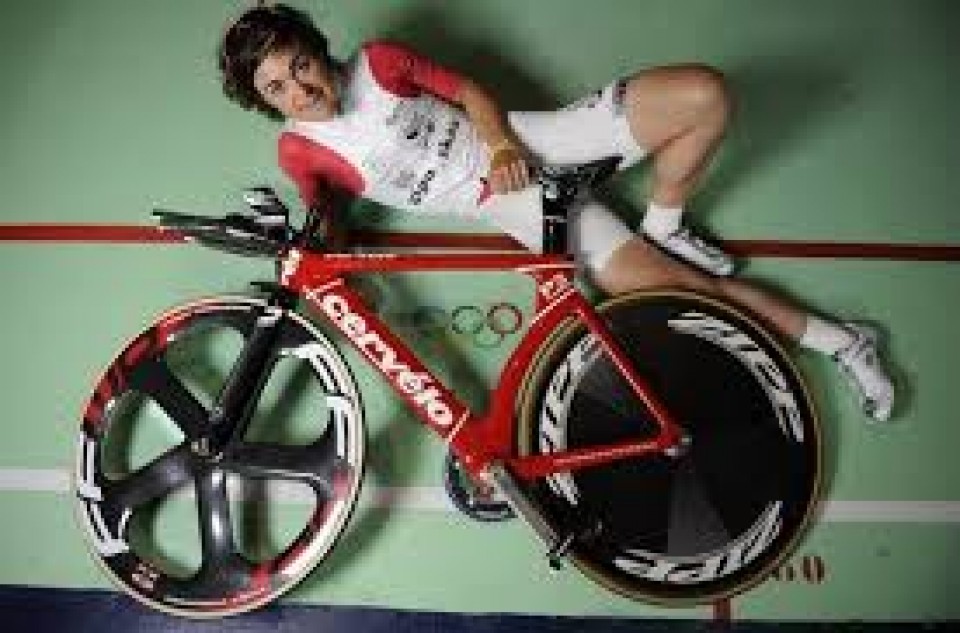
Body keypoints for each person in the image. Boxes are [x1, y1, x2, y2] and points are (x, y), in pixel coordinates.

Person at [217, 3, 894, 422]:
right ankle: (846, 341)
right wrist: (313, 244)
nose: (299, 90)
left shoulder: (379, 63)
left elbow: (470, 93)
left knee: (704, 94)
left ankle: (667, 223)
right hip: (521, 208)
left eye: (299, 65)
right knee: (696, 297)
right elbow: (328, 214)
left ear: (316, 49)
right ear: (265, 103)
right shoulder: (300, 150)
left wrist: (502, 145)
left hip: (538, 142)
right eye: (277, 88)